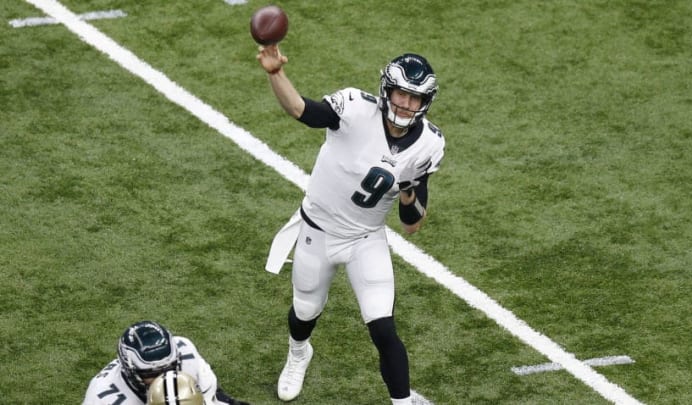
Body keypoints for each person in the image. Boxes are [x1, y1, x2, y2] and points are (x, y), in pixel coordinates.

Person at [257, 45, 445, 405]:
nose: (406, 103)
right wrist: (274, 73)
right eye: (401, 93)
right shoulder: (355, 109)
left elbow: (412, 224)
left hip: (365, 238)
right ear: (386, 90)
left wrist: (407, 193)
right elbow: (302, 110)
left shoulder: (430, 145)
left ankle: (402, 402)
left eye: (415, 97)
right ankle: (298, 353)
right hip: (318, 229)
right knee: (305, 311)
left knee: (383, 326)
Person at [82, 320, 250, 405]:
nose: (163, 378)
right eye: (151, 374)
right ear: (130, 371)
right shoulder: (102, 398)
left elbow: (210, 395)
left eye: (169, 368)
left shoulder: (186, 354)